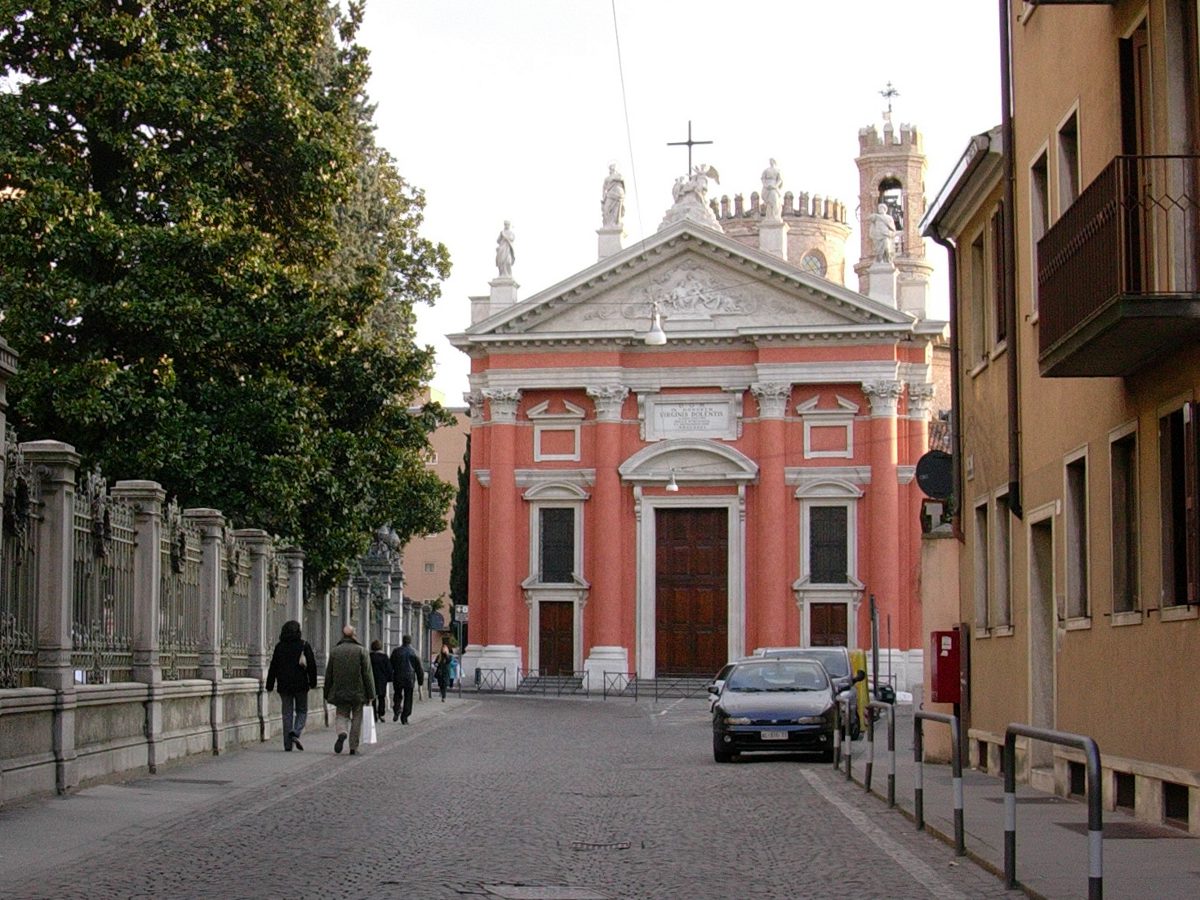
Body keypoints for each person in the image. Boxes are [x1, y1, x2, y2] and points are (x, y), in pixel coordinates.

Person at [265, 620, 317, 751]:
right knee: (302, 711)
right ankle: (296, 731)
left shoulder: (279, 646)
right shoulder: (304, 645)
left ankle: (287, 745)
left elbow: (273, 666)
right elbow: (311, 665)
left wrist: (269, 684)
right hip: (301, 685)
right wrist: (313, 682)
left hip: (284, 685)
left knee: (287, 713)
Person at [323, 624, 375, 755]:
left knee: (341, 714)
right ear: (353, 635)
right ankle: (353, 746)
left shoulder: (335, 651)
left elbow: (329, 673)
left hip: (340, 690)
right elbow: (367, 674)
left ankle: (342, 732)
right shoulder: (361, 650)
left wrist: (326, 691)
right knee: (357, 718)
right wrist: (371, 693)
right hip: (359, 691)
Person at [388, 634, 424, 723]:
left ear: (402, 641)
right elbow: (419, 669)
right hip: (409, 678)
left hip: (398, 676)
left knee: (397, 694)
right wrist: (420, 681)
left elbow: (390, 665)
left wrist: (390, 676)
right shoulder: (414, 652)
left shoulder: (396, 651)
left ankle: (396, 709)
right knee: (408, 697)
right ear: (410, 641)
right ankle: (405, 716)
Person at [369, 639, 392, 723]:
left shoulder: (369, 656)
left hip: (371, 679)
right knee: (382, 697)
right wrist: (389, 678)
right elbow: (389, 669)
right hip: (382, 680)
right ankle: (381, 713)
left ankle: (374, 715)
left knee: (373, 698)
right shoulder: (384, 657)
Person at [601, 164, 625, 228]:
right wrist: (603, 197)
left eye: (614, 167)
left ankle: (616, 223)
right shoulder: (607, 178)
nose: (612, 168)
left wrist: (613, 178)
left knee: (617, 210)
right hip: (610, 194)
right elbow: (604, 188)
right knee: (606, 209)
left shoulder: (619, 175)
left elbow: (621, 179)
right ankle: (607, 224)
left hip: (619, 194)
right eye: (611, 167)